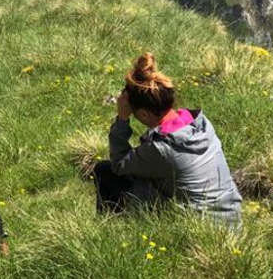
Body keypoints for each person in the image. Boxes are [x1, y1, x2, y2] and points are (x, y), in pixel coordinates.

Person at [93, 53, 243, 226]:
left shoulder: (162, 148)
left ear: (143, 113)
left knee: (105, 171)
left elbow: (119, 164)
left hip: (200, 230)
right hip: (232, 222)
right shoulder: (200, 124)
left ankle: (110, 232)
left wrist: (122, 119)